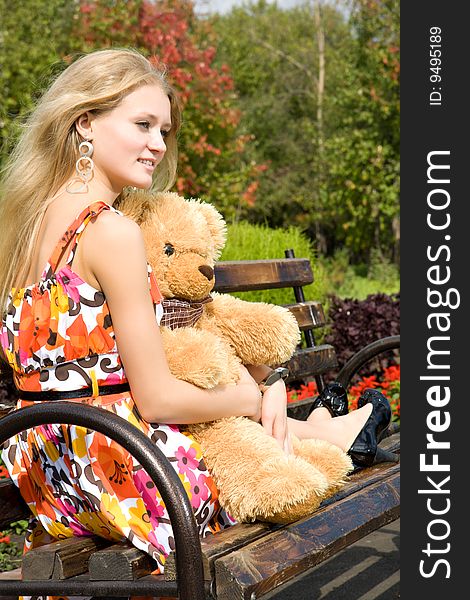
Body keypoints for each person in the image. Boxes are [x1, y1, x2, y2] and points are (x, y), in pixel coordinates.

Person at [0, 48, 394, 589]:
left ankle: (326, 431)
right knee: (266, 467)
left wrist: (262, 384)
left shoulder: (24, 225)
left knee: (256, 429)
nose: (159, 145)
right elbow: (158, 397)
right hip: (130, 469)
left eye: (162, 129)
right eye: (142, 125)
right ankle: (330, 435)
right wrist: (256, 397)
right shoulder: (111, 232)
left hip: (52, 468)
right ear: (84, 122)